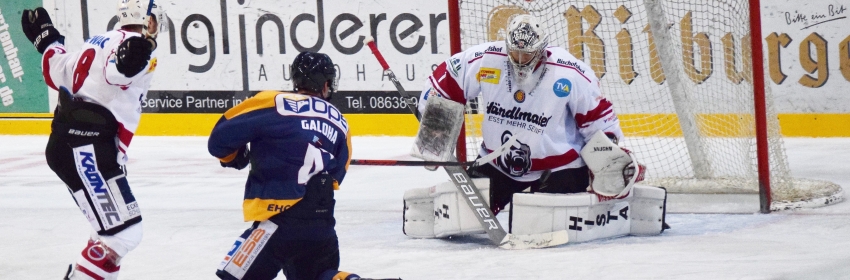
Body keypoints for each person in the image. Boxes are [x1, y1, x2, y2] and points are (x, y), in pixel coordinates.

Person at [417, 14, 626, 215]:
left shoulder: (569, 71)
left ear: (541, 50)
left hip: (560, 169)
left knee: (540, 224)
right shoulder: (486, 59)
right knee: (460, 215)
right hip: (497, 164)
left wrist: (611, 163)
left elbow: (600, 122)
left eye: (526, 54)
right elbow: (443, 83)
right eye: (514, 52)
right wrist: (435, 130)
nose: (519, 59)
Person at [23, 0, 166, 279]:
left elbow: (57, 68)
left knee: (105, 232)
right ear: (150, 21)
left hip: (77, 143)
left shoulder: (98, 41)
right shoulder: (136, 48)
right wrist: (135, 55)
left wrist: (48, 40)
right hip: (85, 148)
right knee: (123, 234)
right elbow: (118, 70)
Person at [209, 52, 366, 280]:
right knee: (320, 275)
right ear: (325, 84)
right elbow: (338, 173)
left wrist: (234, 157)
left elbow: (218, 140)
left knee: (234, 277)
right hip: (322, 224)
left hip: (277, 223)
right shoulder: (340, 121)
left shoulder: (272, 101)